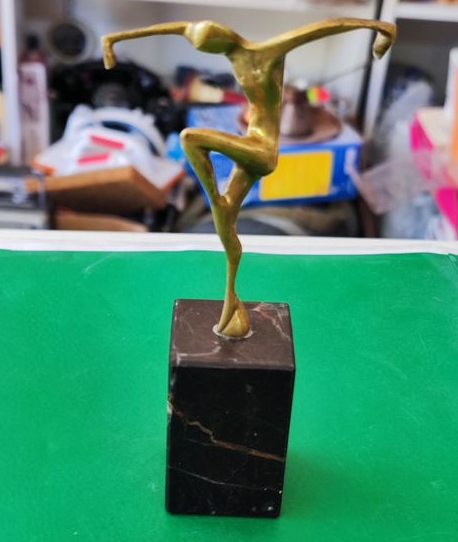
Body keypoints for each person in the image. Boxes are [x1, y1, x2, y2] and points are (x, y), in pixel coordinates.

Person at [102, 18, 396, 337]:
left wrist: (382, 31)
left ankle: (213, 196)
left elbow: (323, 29)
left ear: (222, 38)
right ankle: (231, 306)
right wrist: (113, 41)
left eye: (209, 48)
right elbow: (169, 28)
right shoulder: (223, 48)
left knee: (190, 138)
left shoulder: (268, 51)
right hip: (249, 144)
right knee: (225, 226)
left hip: (262, 149)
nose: (211, 54)